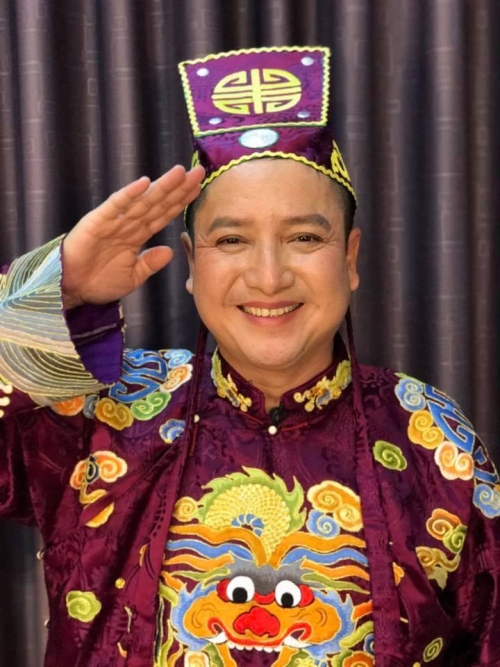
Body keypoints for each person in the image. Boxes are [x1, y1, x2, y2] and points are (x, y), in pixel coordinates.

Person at [0, 46, 499, 667]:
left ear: (349, 258)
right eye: (232, 239)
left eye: (304, 237)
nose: (268, 276)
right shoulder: (102, 414)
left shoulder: (432, 440)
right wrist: (59, 290)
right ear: (192, 262)